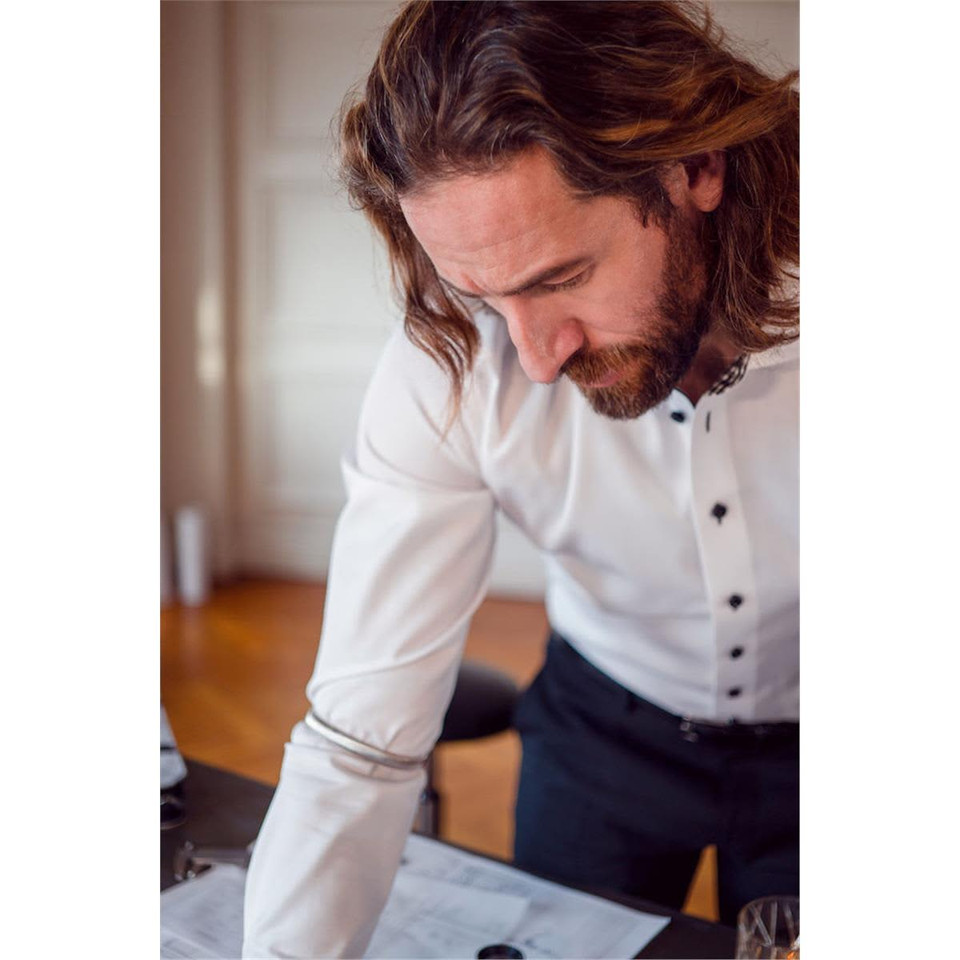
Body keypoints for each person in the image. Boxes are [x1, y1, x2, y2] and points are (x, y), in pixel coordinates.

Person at [242, 2, 799, 956]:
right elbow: (358, 746)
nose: (535, 360)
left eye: (559, 277)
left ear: (695, 168)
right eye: (485, 298)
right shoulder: (454, 364)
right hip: (601, 729)